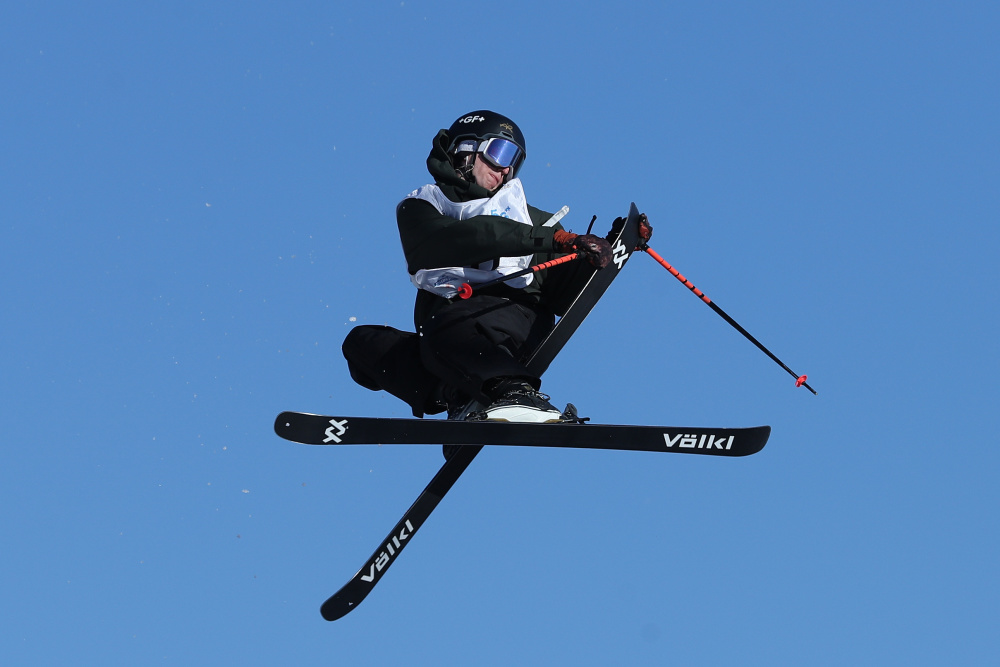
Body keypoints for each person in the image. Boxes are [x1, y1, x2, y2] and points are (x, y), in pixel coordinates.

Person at [342, 110, 641, 428]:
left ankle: (515, 394)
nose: (506, 168)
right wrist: (547, 238)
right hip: (453, 344)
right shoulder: (423, 207)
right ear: (465, 151)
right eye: (500, 152)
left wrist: (610, 249)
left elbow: (562, 296)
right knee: (362, 343)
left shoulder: (534, 220)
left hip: (513, 324)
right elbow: (457, 239)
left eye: (515, 160)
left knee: (445, 326)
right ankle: (459, 396)